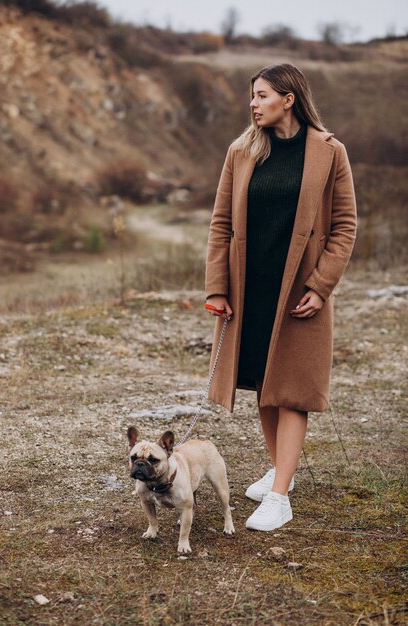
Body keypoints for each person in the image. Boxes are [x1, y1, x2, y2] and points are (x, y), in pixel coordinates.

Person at [204, 63, 357, 532]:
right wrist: (217, 288)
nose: (253, 104)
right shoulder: (242, 150)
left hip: (299, 290)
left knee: (292, 392)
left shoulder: (330, 152)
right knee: (265, 390)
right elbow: (221, 224)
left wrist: (320, 285)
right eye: (252, 96)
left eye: (262, 95)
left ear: (288, 99)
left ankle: (279, 496)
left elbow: (346, 226)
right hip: (251, 287)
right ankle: (280, 471)